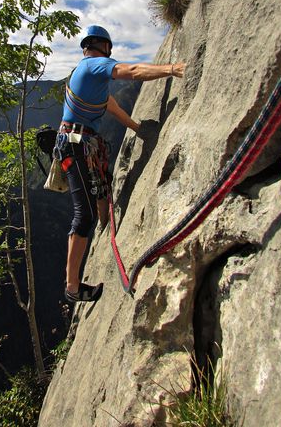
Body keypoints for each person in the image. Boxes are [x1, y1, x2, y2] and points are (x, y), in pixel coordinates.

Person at [55, 25, 185, 303]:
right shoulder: (94, 66)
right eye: (110, 49)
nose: (111, 53)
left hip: (80, 144)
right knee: (84, 214)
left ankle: (104, 228)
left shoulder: (89, 82)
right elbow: (134, 71)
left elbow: (115, 111)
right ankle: (72, 288)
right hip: (75, 145)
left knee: (102, 191)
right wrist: (173, 69)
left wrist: (140, 129)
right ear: (104, 46)